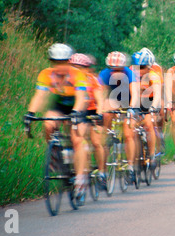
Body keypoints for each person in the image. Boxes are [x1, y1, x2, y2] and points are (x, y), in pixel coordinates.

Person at [24, 43, 89, 202]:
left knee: (77, 138)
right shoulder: (46, 74)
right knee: (48, 123)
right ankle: (55, 154)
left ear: (68, 61)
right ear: (51, 62)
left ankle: (80, 179)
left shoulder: (77, 75)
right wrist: (30, 113)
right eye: (55, 62)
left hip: (76, 105)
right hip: (59, 104)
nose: (59, 66)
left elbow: (81, 98)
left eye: (63, 62)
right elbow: (40, 96)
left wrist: (75, 113)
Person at [98, 51, 139, 183]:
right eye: (112, 69)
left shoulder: (129, 73)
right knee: (105, 122)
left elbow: (135, 93)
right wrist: (101, 111)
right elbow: (101, 95)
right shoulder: (104, 74)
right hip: (112, 100)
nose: (115, 72)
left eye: (118, 69)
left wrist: (132, 108)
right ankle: (102, 172)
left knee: (129, 133)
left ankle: (131, 167)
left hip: (128, 100)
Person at [68, 53, 106, 190]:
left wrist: (99, 114)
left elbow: (100, 100)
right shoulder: (68, 80)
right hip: (75, 111)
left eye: (80, 67)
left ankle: (102, 173)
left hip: (92, 111)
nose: (76, 70)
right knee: (73, 139)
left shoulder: (92, 81)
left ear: (87, 69)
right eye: (73, 67)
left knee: (96, 142)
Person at [130, 48, 162, 169]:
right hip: (135, 103)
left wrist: (154, 107)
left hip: (149, 103)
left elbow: (158, 94)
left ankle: (152, 155)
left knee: (149, 124)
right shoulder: (130, 73)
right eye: (136, 67)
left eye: (142, 67)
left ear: (148, 67)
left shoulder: (153, 75)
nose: (139, 70)